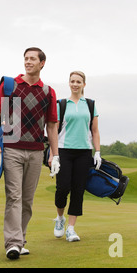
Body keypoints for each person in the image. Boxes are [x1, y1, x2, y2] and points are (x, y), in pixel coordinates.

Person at [0, 47, 60, 259]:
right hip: (12, 149)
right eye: (26, 59)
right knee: (14, 197)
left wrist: (55, 154)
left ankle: (21, 239)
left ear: (42, 63)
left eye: (32, 59)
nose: (28, 62)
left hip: (36, 152)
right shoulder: (10, 85)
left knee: (27, 200)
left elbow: (52, 126)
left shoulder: (48, 92)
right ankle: (13, 243)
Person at [50, 70, 101, 242]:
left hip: (84, 152)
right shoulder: (61, 104)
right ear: (69, 83)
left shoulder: (91, 105)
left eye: (78, 81)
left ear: (84, 84)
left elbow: (94, 131)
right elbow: (54, 132)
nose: (75, 84)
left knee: (78, 190)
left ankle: (71, 228)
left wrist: (98, 152)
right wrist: (53, 155)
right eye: (72, 81)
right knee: (62, 188)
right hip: (64, 150)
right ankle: (60, 219)